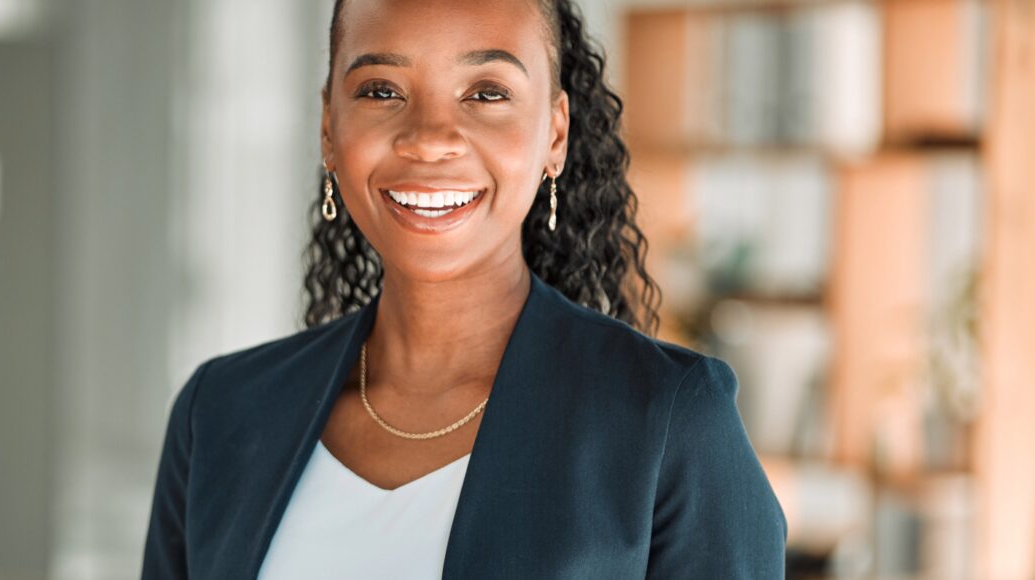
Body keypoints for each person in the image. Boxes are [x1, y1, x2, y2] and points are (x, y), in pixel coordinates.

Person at [140, 0, 787, 578]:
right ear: (329, 129)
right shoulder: (221, 414)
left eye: (485, 92)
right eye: (381, 89)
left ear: (555, 135)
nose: (429, 139)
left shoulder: (671, 423)